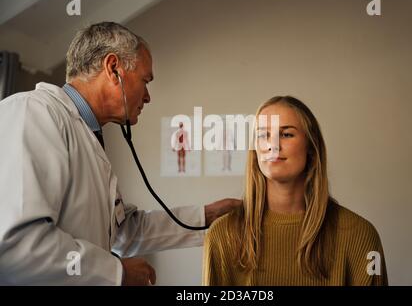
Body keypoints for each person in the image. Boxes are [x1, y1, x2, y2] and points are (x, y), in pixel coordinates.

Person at [0, 22, 240, 285]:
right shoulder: (32, 113)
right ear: (113, 68)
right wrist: (117, 273)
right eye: (145, 81)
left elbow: (124, 232)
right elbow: (17, 247)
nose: (147, 97)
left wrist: (206, 216)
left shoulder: (89, 136)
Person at [202, 96, 388, 285]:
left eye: (286, 134)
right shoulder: (221, 235)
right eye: (263, 135)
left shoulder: (361, 235)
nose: (272, 145)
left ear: (311, 148)